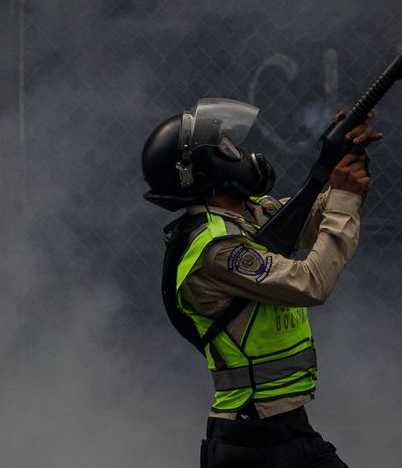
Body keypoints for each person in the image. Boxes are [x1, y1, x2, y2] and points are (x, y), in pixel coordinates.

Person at [141, 98, 380, 467]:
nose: (240, 153)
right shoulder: (216, 248)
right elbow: (311, 282)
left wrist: (348, 163)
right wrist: (344, 194)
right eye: (226, 149)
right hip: (254, 439)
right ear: (206, 172)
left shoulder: (244, 215)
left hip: (282, 430)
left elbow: (314, 215)